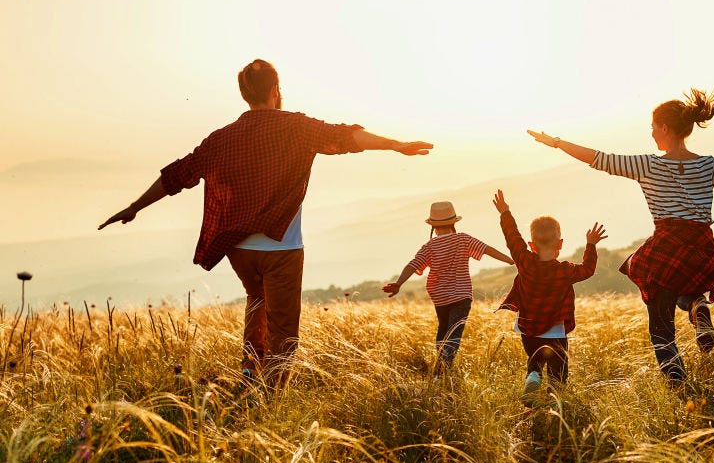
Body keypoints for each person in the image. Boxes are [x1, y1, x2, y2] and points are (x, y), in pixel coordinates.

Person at [99, 59, 433, 389]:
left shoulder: (221, 138)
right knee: (284, 328)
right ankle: (270, 396)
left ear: (245, 94)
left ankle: (249, 372)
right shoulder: (296, 127)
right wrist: (396, 145)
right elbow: (346, 136)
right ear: (275, 91)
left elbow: (178, 174)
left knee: (256, 301)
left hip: (239, 250)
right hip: (282, 249)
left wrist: (135, 207)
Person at [527, 89, 714, 383]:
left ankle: (678, 384)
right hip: (700, 245)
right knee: (686, 286)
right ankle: (696, 306)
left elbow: (598, 158)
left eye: (652, 127)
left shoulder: (647, 165)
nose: (650, 133)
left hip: (666, 244)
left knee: (661, 329)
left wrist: (555, 143)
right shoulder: (708, 165)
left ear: (663, 127)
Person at [492, 189, 606, 405]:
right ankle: (554, 400)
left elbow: (512, 238)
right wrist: (590, 245)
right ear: (560, 244)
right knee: (558, 368)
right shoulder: (565, 270)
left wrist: (505, 213)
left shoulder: (524, 261)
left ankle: (533, 375)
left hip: (528, 327)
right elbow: (588, 269)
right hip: (555, 330)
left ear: (531, 245)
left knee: (535, 359)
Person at [383, 201, 514, 373]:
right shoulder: (463, 239)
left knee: (443, 330)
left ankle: (440, 368)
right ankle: (443, 370)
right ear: (453, 222)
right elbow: (487, 249)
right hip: (461, 295)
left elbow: (412, 265)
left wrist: (399, 283)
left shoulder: (429, 246)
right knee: (454, 334)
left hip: (440, 297)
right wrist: (511, 260)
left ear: (433, 226)